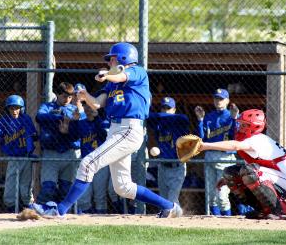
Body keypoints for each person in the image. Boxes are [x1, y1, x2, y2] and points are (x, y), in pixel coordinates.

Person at [32, 42, 182, 218]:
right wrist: (84, 95)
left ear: (123, 58)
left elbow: (121, 76)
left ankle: (59, 210)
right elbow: (96, 104)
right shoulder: (112, 85)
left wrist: (107, 74)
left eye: (112, 59)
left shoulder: (137, 71)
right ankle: (170, 207)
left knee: (88, 163)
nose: (110, 62)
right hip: (116, 129)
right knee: (123, 186)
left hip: (129, 128)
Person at [200, 109, 286, 219]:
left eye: (245, 125)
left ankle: (281, 209)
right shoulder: (251, 139)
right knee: (230, 173)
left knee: (250, 172)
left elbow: (235, 146)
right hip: (278, 178)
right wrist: (228, 179)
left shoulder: (257, 139)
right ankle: (263, 209)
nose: (240, 127)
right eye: (241, 124)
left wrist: (205, 146)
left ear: (255, 126)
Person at [0, 95, 37, 212]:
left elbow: (32, 137)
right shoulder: (4, 121)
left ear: (22, 108)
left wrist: (30, 151)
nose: (14, 111)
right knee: (10, 188)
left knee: (25, 187)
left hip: (26, 158)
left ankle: (29, 210)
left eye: (17, 108)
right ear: (7, 109)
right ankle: (11, 211)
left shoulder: (26, 119)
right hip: (13, 158)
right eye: (11, 108)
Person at [62, 93, 111, 214]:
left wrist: (97, 118)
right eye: (86, 106)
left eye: (91, 106)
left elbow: (104, 135)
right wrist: (72, 121)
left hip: (101, 163)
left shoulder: (102, 121)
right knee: (84, 198)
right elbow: (72, 136)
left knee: (100, 197)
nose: (89, 108)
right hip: (87, 162)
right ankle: (86, 220)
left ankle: (100, 222)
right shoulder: (81, 123)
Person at [194, 88, 239, 216]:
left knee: (222, 196)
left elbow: (236, 137)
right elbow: (202, 138)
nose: (218, 101)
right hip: (210, 156)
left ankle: (227, 223)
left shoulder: (231, 117)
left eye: (221, 99)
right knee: (211, 196)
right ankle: (215, 224)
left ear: (227, 101)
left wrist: (235, 119)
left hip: (226, 157)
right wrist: (200, 120)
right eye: (216, 98)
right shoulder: (209, 117)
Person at [35, 82, 81, 204]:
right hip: (51, 154)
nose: (67, 99)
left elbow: (80, 132)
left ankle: (61, 217)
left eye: (70, 97)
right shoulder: (48, 106)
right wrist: (61, 118)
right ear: (58, 94)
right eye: (64, 96)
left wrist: (68, 128)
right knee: (48, 190)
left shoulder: (74, 110)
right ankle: (39, 212)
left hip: (69, 153)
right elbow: (39, 117)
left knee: (65, 191)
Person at [148, 97, 189, 205]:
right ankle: (177, 217)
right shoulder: (158, 125)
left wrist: (158, 116)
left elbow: (184, 118)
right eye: (163, 108)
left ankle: (175, 217)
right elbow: (147, 117)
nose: (166, 110)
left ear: (174, 110)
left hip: (177, 167)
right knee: (164, 200)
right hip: (162, 167)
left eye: (168, 108)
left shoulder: (179, 122)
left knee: (172, 199)